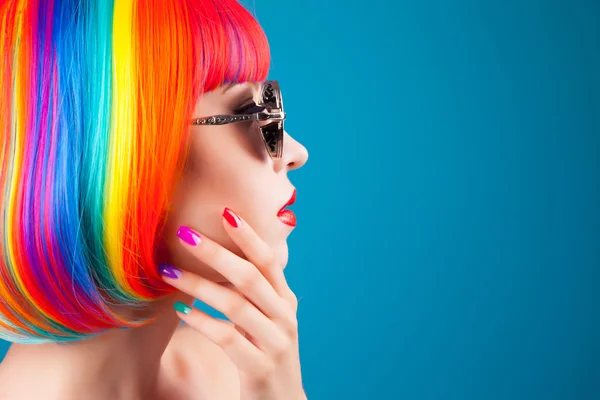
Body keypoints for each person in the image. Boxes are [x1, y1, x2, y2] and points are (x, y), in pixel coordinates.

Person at [0, 1, 309, 399]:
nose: (296, 153)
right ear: (124, 156)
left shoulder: (231, 372)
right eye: (251, 111)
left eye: (273, 110)